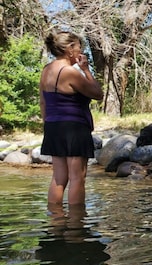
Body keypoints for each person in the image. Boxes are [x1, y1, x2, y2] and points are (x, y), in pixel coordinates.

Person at [39, 31, 103, 206]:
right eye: (78, 47)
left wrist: (50, 125)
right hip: (73, 128)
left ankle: (56, 222)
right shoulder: (69, 72)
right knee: (77, 178)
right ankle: (76, 226)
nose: (81, 51)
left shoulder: (46, 70)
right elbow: (98, 94)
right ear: (69, 49)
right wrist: (86, 70)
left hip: (53, 126)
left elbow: (43, 103)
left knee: (59, 178)